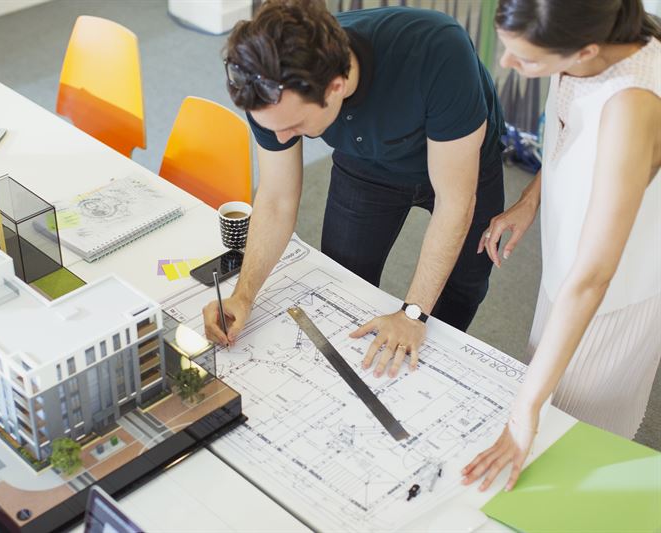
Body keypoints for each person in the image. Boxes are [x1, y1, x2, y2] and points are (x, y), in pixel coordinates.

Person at [202, 0, 505, 379]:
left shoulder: (437, 50)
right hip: (365, 159)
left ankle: (428, 372)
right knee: (344, 277)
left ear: (336, 87)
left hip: (458, 160)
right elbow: (276, 199)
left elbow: (455, 203)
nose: (281, 138)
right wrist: (243, 295)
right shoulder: (266, 89)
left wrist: (413, 314)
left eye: (294, 126)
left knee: (462, 285)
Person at [463, 0, 661, 492]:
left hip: (611, 294)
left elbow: (593, 278)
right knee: (543, 395)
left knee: (575, 437)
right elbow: (570, 138)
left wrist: (525, 409)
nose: (506, 63)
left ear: (586, 50)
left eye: (526, 58)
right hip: (571, 263)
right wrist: (531, 200)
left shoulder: (631, 105)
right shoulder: (584, 44)